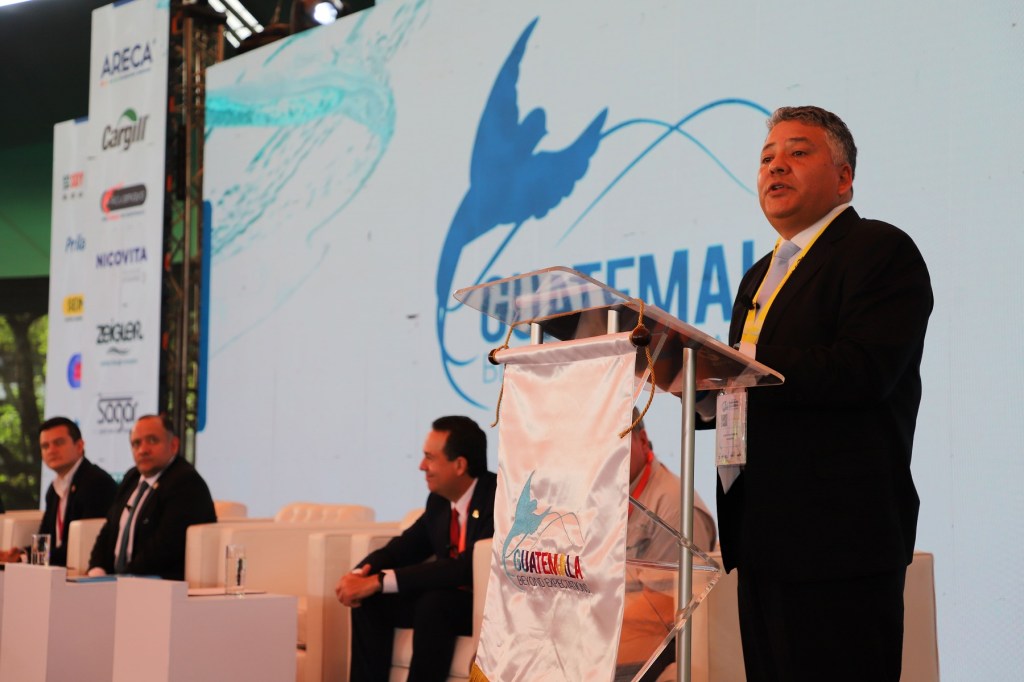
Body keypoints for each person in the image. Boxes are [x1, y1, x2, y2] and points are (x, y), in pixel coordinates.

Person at [709, 106, 932, 681]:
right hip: (761, 535)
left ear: (843, 177)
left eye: (798, 152)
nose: (775, 166)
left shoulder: (879, 250)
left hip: (838, 540)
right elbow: (749, 391)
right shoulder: (758, 276)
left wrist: (738, 365)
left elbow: (864, 369)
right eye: (766, 157)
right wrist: (698, 382)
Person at [336, 416, 496, 682]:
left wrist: (380, 580)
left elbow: (464, 568)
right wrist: (360, 574)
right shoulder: (439, 502)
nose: (422, 466)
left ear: (459, 465)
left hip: (482, 606)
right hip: (445, 601)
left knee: (435, 603)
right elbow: (403, 548)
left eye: (430, 458)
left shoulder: (496, 497)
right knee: (371, 601)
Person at [87, 414, 216, 581]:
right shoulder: (132, 477)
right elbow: (109, 530)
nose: (143, 450)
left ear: (174, 445)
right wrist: (96, 569)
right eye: (136, 443)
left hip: (159, 584)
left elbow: (165, 547)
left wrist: (119, 580)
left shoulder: (187, 483)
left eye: (152, 440)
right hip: (120, 582)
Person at [0, 417, 118, 566]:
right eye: (45, 446)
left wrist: (25, 558)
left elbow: (84, 544)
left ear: (79, 446)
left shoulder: (97, 482)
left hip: (86, 570)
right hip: (58, 569)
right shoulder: (53, 489)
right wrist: (20, 554)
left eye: (58, 443)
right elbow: (44, 538)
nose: (51, 450)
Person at [626, 407, 716, 562]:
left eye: (615, 445)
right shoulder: (605, 498)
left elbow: (669, 581)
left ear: (642, 441)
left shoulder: (676, 509)